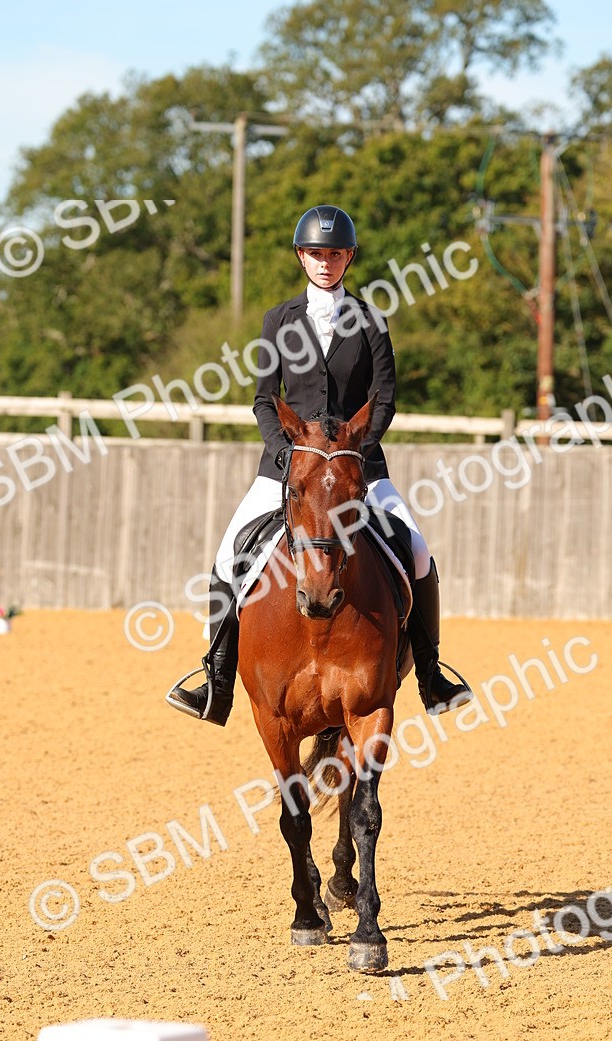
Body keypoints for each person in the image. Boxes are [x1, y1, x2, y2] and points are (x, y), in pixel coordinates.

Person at [167, 204, 472, 725]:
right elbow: (265, 399)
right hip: (286, 469)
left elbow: (385, 399)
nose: (324, 262)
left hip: (360, 468)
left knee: (417, 551)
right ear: (300, 257)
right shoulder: (277, 321)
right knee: (226, 557)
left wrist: (353, 452)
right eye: (315, 253)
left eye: (334, 254)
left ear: (348, 257)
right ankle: (215, 681)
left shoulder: (371, 321)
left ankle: (430, 674)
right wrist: (286, 453)